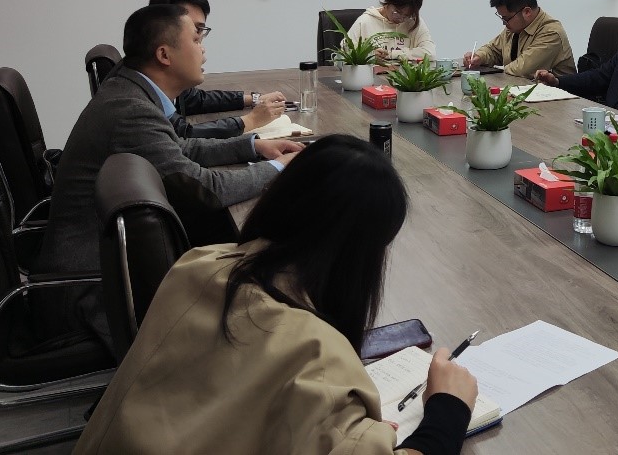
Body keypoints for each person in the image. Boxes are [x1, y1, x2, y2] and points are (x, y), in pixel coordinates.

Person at [75, 135, 477, 455]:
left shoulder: (199, 264)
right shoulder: (314, 354)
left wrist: (341, 431)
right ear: (364, 258)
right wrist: (448, 409)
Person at [34, 5, 302, 345]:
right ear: (164, 55)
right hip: (95, 291)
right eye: (196, 39)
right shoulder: (131, 110)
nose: (204, 50)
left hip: (114, 260)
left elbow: (180, 148)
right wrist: (281, 169)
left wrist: (253, 147)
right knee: (266, 258)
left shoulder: (130, 91)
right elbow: (207, 189)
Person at [149, 0, 287, 139]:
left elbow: (195, 100)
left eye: (200, 31)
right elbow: (183, 136)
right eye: (193, 31)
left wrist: (254, 99)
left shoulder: (165, 78)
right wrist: (252, 120)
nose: (201, 45)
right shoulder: (140, 99)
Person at [463, 0, 575, 79]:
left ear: (527, 12)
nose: (504, 23)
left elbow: (521, 70)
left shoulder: (551, 32)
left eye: (506, 18)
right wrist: (479, 57)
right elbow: (494, 50)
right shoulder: (514, 28)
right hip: (522, 89)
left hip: (556, 94)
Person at [347, 0, 437, 65]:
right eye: (397, 12)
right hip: (372, 75)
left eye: (407, 16)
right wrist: (369, 55)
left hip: (405, 75)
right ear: (388, 1)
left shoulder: (413, 22)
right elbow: (345, 53)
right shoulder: (365, 21)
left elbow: (430, 53)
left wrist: (392, 54)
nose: (401, 19)